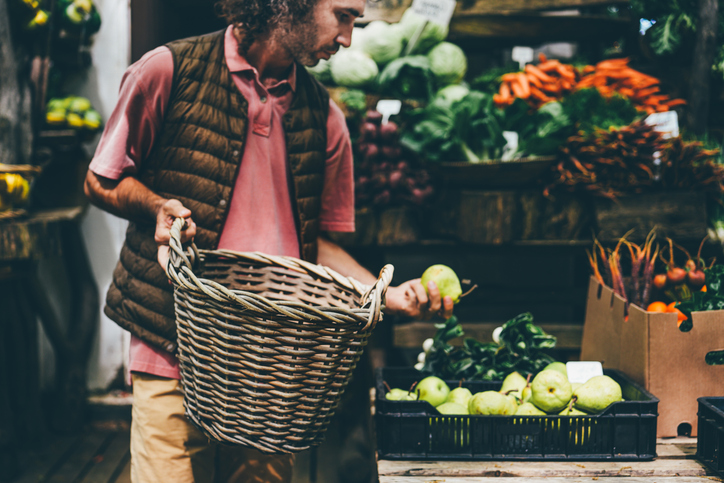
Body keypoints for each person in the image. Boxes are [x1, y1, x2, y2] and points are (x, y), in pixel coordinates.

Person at [84, 0, 454, 481]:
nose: (348, 38)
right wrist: (156, 206)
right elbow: (101, 180)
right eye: (343, 16)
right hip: (172, 345)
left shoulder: (325, 119)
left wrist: (386, 294)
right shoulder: (167, 71)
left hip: (269, 373)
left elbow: (314, 247)